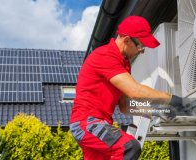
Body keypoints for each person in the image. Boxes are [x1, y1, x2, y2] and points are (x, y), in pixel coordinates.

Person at [70, 16, 183, 160]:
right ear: (127, 40)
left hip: (99, 124)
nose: (142, 51)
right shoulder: (105, 56)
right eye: (140, 46)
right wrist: (170, 99)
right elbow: (135, 91)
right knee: (129, 147)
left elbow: (125, 105)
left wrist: (157, 110)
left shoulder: (123, 63)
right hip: (87, 123)